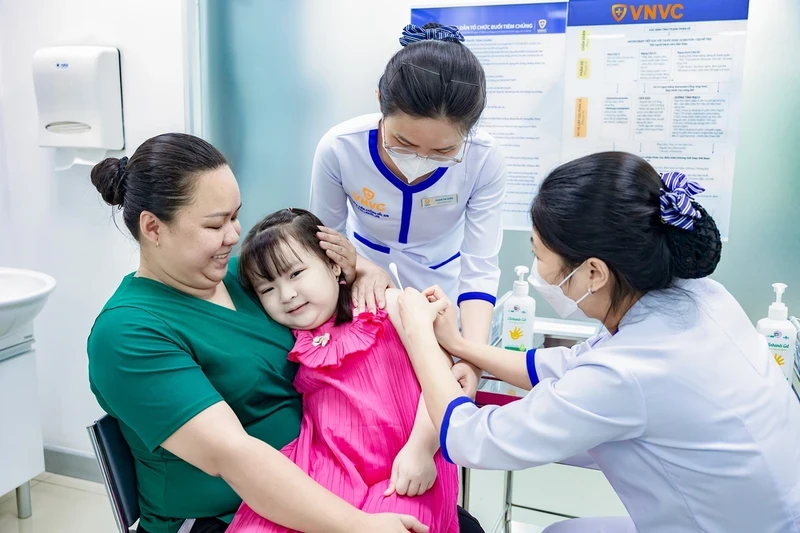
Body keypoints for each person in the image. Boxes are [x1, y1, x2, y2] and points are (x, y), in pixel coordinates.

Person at [86, 133, 484, 533]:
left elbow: (308, 267)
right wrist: (359, 525)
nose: (233, 234)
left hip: (336, 476)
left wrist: (364, 269)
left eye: (234, 216)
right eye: (215, 224)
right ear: (153, 228)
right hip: (227, 515)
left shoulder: (246, 278)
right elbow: (233, 455)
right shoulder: (128, 333)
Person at [396, 152, 800, 533]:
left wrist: (420, 338)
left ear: (593, 273)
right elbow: (570, 366)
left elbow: (472, 440)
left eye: (539, 255)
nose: (537, 270)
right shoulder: (700, 296)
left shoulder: (627, 373)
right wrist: (461, 345)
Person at [228, 208, 459, 533]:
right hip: (326, 468)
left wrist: (421, 450)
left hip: (406, 463)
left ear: (334, 264)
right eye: (267, 289)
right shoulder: (293, 337)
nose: (287, 295)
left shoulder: (389, 304)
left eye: (295, 274)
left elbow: (442, 380)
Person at [309, 22, 506, 361]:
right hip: (362, 279)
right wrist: (362, 268)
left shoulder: (483, 159)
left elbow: (480, 266)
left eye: (443, 151)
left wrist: (474, 359)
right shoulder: (341, 148)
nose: (420, 160)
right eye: (403, 142)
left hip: (443, 282)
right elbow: (325, 242)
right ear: (379, 101)